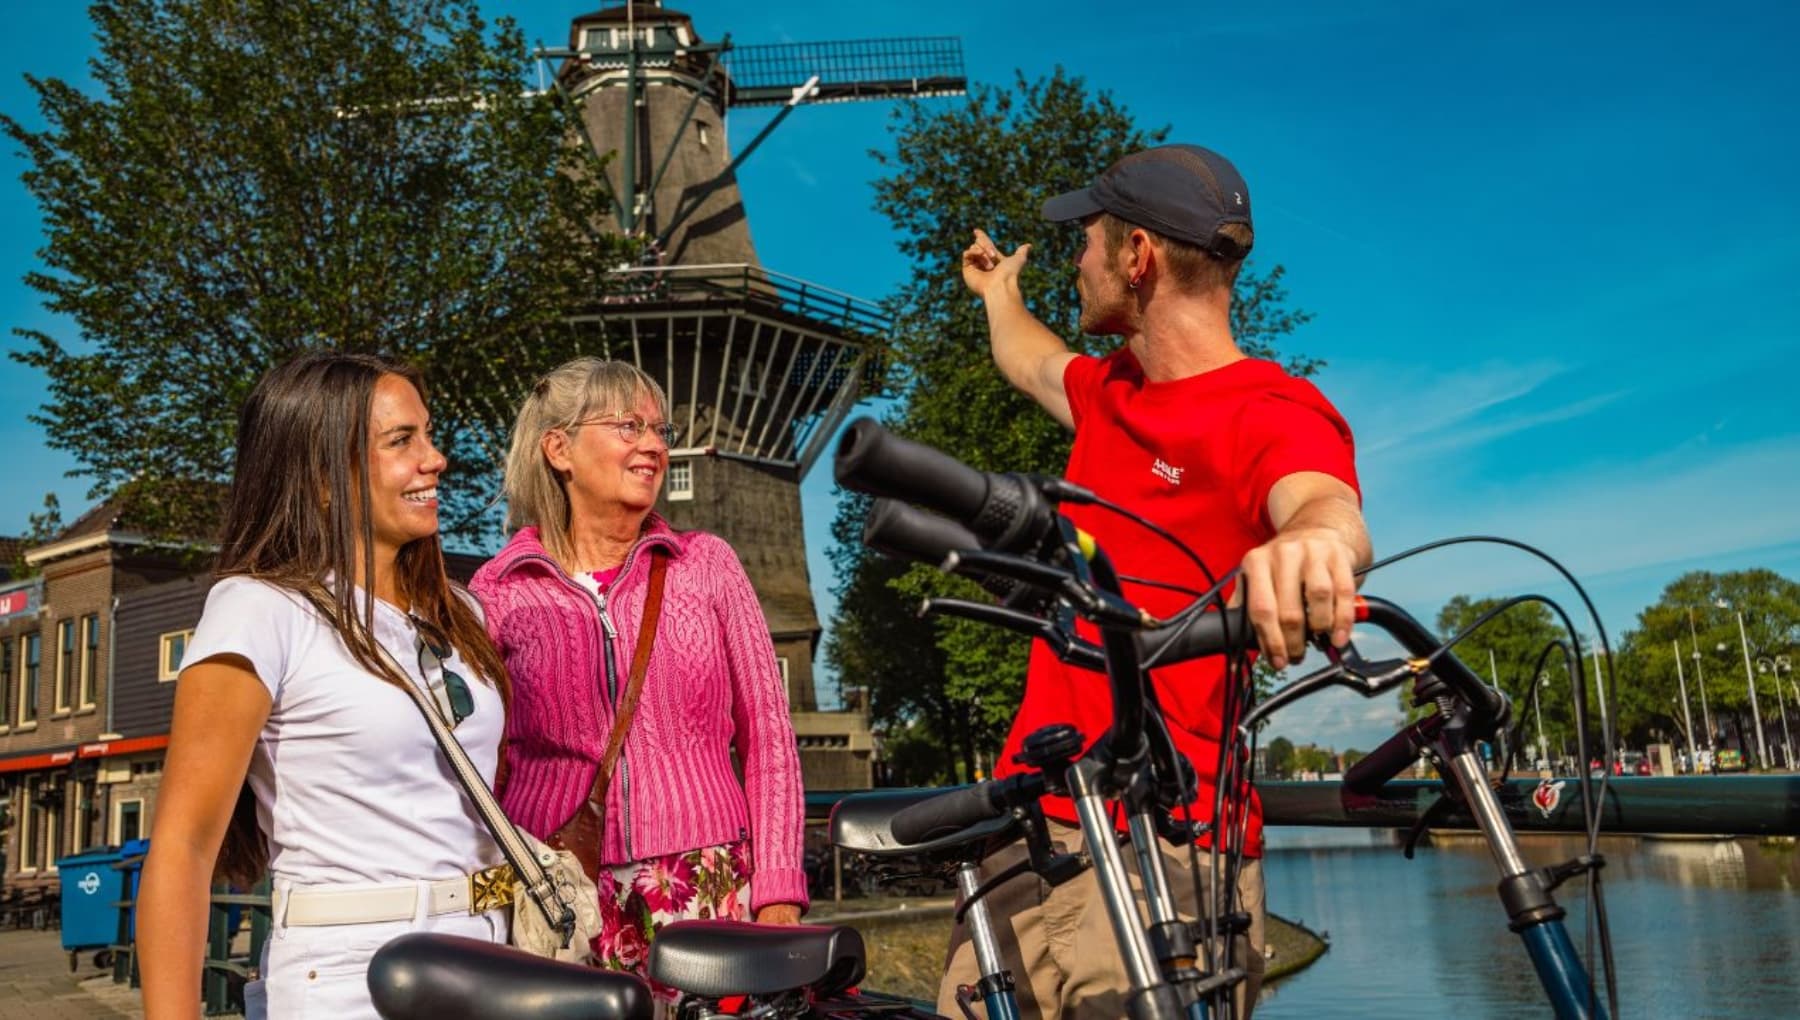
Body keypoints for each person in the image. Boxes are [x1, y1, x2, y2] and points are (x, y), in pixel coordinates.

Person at [945, 144, 1372, 1019]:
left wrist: (1314, 545)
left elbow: (1324, 504)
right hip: (1028, 835)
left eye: (1090, 241)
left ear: (1137, 257)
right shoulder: (1112, 394)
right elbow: (1029, 359)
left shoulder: (1272, 411)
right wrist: (999, 295)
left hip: (1166, 853)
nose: (1078, 260)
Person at [137, 351, 512, 1020]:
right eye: (402, 441)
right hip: (351, 977)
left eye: (428, 435)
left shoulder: (463, 614)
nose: (435, 460)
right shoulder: (260, 610)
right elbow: (184, 847)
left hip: (490, 959)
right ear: (321, 477)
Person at [471, 357, 806, 1000]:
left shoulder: (706, 566)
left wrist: (779, 894)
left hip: (703, 886)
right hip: (559, 892)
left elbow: (768, 737)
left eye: (660, 429)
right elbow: (483, 762)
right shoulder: (500, 590)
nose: (654, 444)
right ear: (559, 448)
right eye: (630, 426)